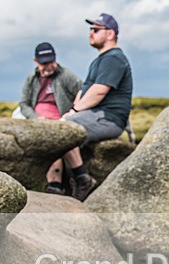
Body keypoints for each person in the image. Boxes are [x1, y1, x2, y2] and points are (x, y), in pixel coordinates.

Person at [57, 13, 134, 201]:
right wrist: (72, 111)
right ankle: (58, 184)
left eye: (96, 29)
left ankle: (82, 179)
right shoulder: (99, 60)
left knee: (65, 131)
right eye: (91, 29)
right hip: (95, 115)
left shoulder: (114, 58)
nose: (91, 33)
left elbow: (99, 91)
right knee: (60, 128)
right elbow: (84, 91)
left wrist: (74, 113)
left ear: (110, 33)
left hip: (108, 118)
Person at [16, 42, 82, 194]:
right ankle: (53, 184)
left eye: (51, 62)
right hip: (38, 121)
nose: (48, 67)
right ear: (36, 61)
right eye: (44, 63)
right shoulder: (31, 79)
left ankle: (57, 184)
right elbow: (24, 104)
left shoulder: (66, 76)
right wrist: (35, 117)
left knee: (55, 141)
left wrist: (72, 112)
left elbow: (82, 92)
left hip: (60, 120)